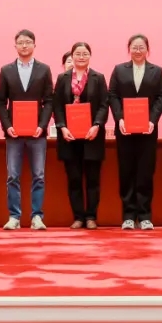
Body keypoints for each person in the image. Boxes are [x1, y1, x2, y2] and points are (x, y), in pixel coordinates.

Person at [0, 29, 54, 230]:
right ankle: (14, 217)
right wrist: (7, 126)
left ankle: (37, 216)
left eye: (28, 42)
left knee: (39, 175)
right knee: (12, 176)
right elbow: (1, 102)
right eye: (20, 42)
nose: (24, 45)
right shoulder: (6, 70)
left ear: (34, 45)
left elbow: (49, 101)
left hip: (37, 133)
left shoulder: (44, 69)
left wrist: (42, 125)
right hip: (14, 133)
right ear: (15, 46)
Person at [108, 34, 162, 230]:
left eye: (142, 47)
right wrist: (120, 118)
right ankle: (128, 215)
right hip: (125, 130)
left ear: (147, 50)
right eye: (134, 47)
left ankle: (144, 216)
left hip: (148, 130)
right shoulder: (119, 70)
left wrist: (152, 120)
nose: (138, 51)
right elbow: (113, 95)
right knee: (126, 172)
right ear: (129, 49)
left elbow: (161, 97)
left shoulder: (156, 71)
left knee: (145, 172)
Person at [53, 42, 109, 229]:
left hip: (92, 136)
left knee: (93, 179)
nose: (81, 57)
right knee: (74, 178)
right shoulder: (63, 78)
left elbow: (104, 105)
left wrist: (97, 125)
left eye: (85, 53)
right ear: (72, 56)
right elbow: (57, 106)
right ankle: (78, 217)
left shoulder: (98, 78)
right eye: (78, 53)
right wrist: (62, 127)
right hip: (69, 137)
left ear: (90, 56)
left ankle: (91, 216)